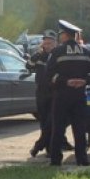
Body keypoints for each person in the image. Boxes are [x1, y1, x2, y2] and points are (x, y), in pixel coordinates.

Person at [46, 20, 90, 166]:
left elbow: (49, 74)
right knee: (80, 129)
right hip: (80, 96)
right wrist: (84, 81)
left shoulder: (57, 52)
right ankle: (82, 160)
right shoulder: (86, 51)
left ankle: (56, 161)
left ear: (64, 35)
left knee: (58, 129)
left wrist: (65, 81)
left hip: (62, 96)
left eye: (60, 34)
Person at [27, 29, 57, 157]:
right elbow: (28, 66)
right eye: (45, 42)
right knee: (43, 121)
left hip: (54, 91)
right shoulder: (39, 55)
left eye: (50, 43)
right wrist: (34, 57)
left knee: (51, 121)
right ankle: (47, 147)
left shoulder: (58, 55)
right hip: (41, 91)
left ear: (55, 43)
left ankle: (42, 146)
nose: (47, 45)